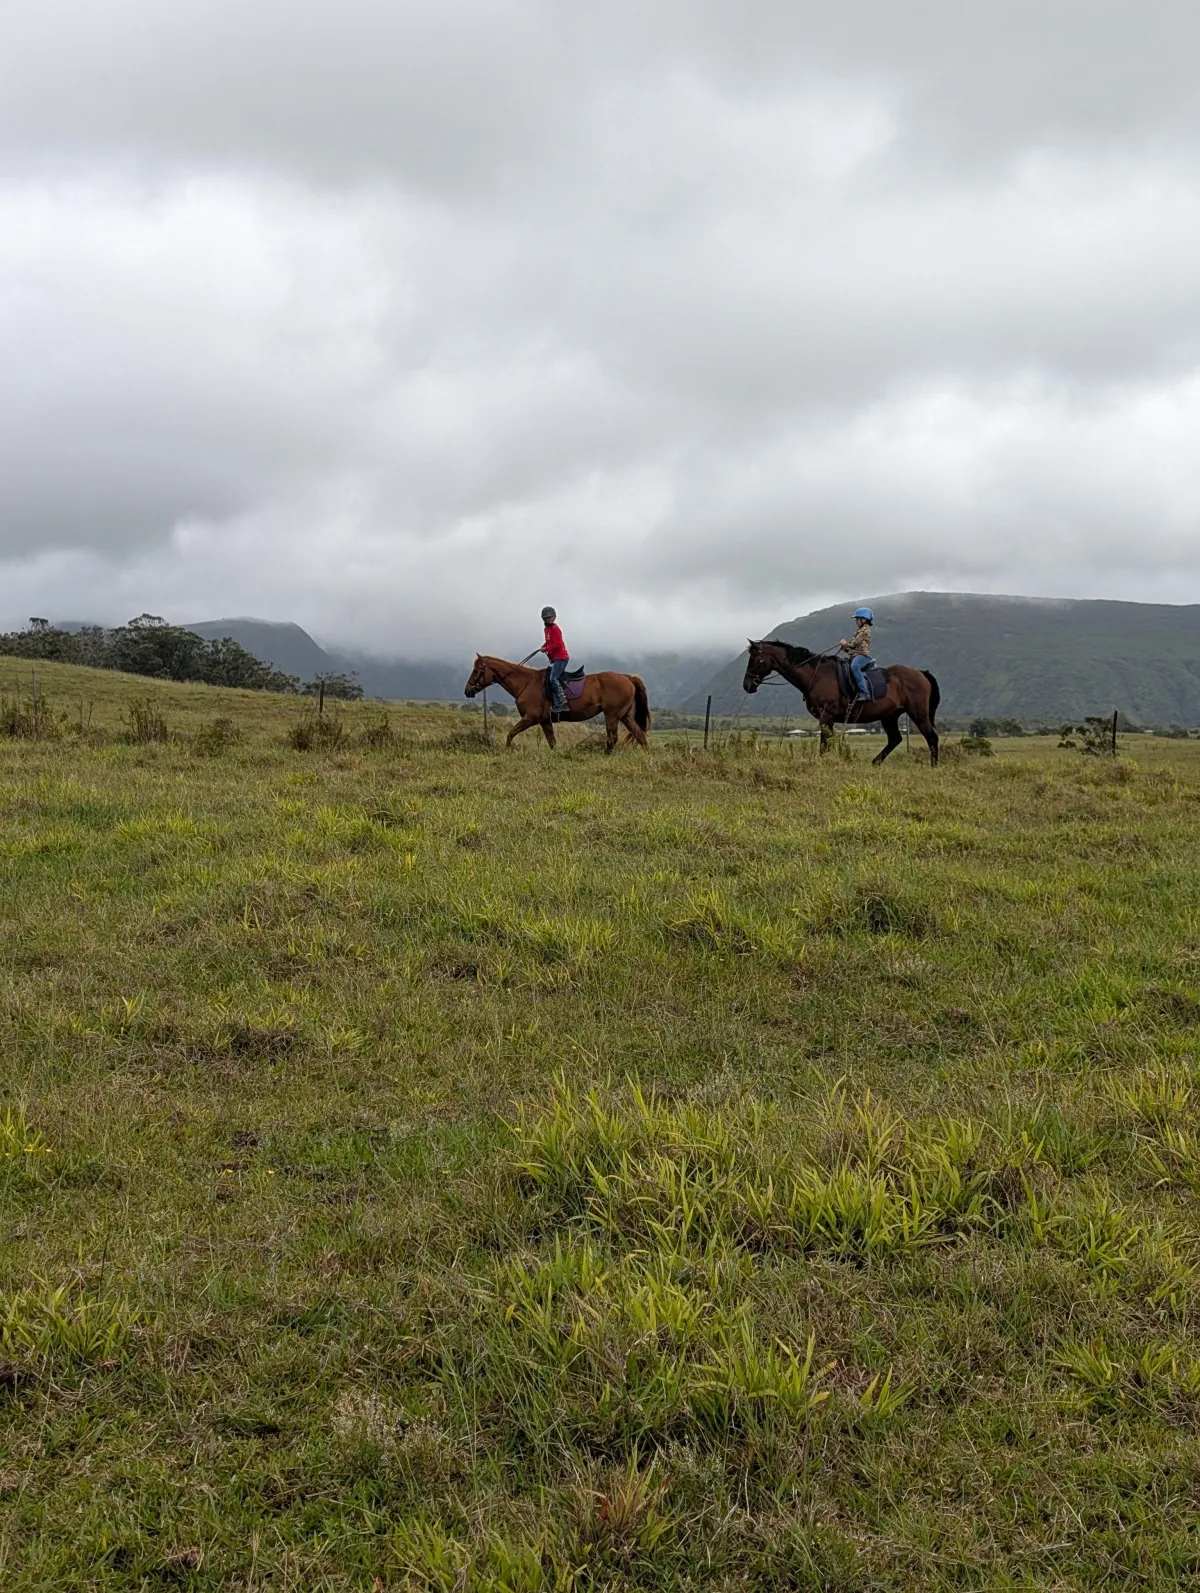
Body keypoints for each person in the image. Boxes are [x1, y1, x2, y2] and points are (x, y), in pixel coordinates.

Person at [839, 607, 874, 700]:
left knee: (855, 667)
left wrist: (845, 644)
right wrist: (844, 648)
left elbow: (854, 643)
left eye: (857, 619)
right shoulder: (859, 631)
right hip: (855, 655)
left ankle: (865, 693)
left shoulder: (865, 631)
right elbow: (851, 648)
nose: (856, 621)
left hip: (862, 656)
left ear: (864, 619)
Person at [539, 605, 569, 711]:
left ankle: (562, 701)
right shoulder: (546, 629)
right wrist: (544, 646)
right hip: (555, 658)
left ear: (554, 617)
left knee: (553, 678)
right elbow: (549, 642)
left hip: (561, 657)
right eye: (547, 618)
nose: (549, 619)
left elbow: (557, 644)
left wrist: (546, 648)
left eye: (551, 617)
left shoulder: (555, 629)